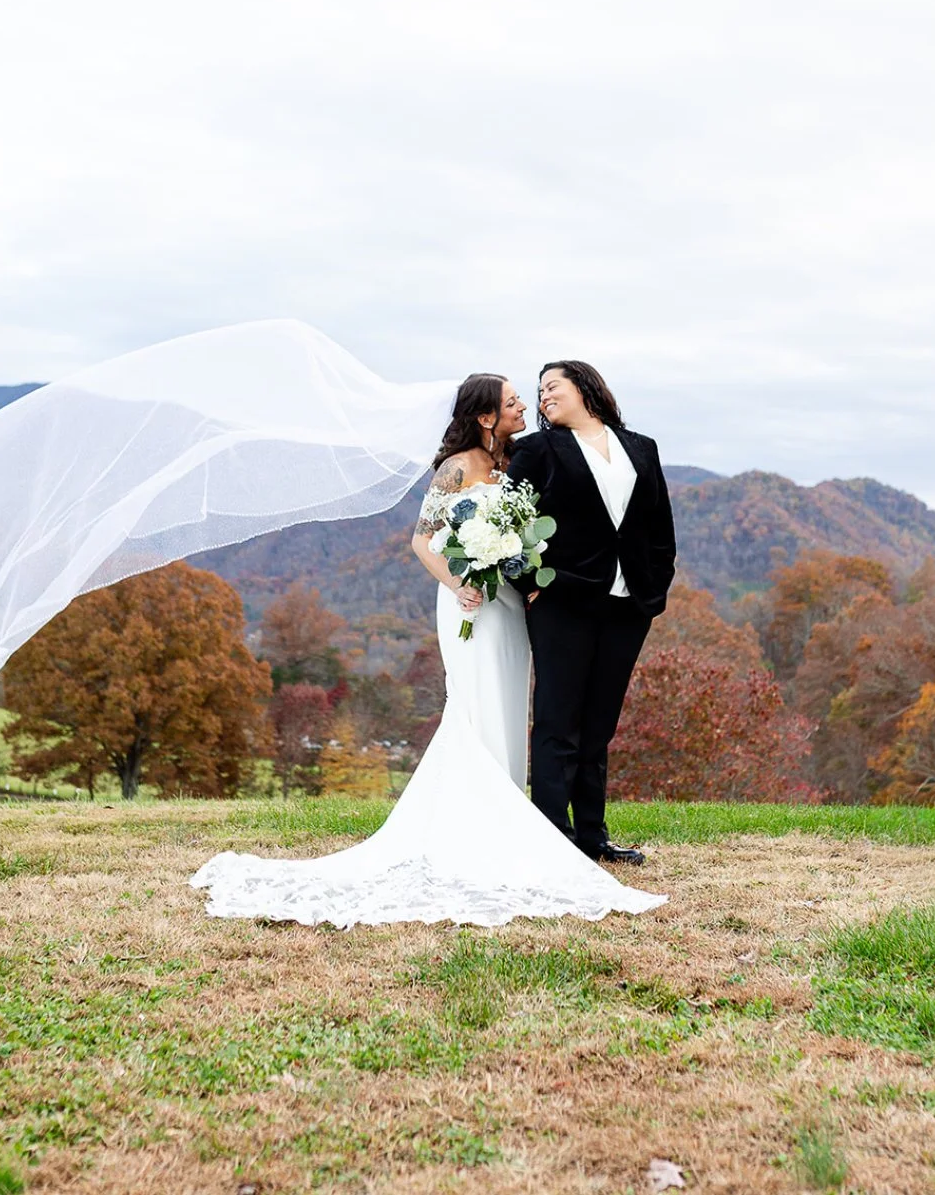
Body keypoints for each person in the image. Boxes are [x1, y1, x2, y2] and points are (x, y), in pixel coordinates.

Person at [191, 371, 667, 926]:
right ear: (486, 415)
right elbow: (424, 537)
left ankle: (529, 825)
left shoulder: (515, 464)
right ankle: (516, 831)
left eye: (531, 396)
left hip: (510, 607)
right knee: (482, 707)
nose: (526, 406)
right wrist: (461, 581)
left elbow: (543, 528)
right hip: (470, 601)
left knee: (512, 710)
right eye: (516, 400)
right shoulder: (460, 467)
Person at [506, 361, 676, 865]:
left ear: (584, 387)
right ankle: (552, 839)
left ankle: (592, 837)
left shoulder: (642, 448)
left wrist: (656, 588)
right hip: (562, 602)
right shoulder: (537, 451)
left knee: (600, 724)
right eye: (538, 393)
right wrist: (529, 584)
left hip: (629, 606)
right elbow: (506, 523)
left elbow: (659, 526)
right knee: (558, 721)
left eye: (551, 387)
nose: (542, 397)